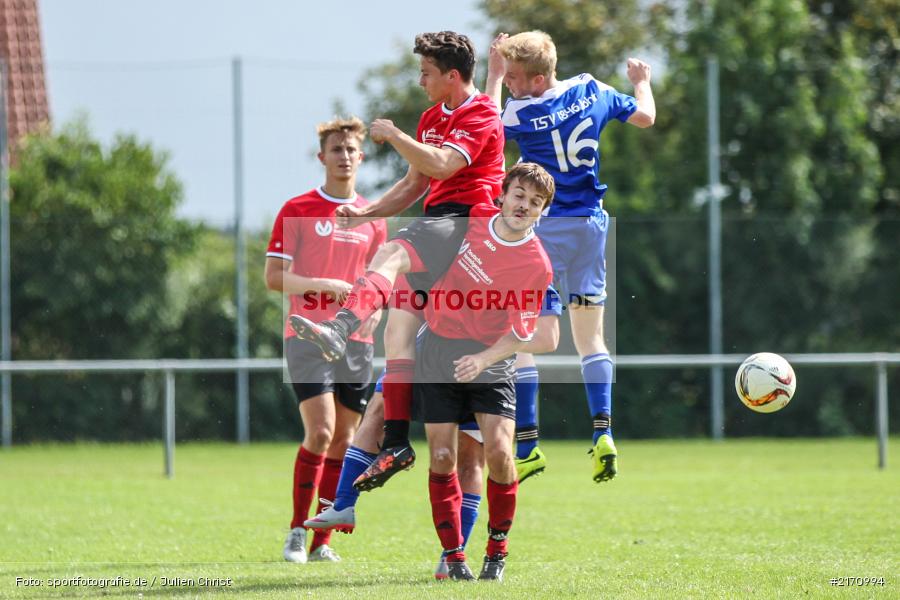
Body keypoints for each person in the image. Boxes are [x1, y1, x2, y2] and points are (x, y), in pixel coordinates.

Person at [290, 30, 505, 492]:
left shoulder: (482, 111)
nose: (420, 80)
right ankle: (396, 441)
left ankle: (341, 327)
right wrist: (365, 212)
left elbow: (446, 165)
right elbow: (413, 186)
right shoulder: (431, 116)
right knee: (398, 327)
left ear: (451, 75)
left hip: (468, 225)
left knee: (390, 253)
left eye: (426, 72)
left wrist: (394, 135)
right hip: (437, 224)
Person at [485, 31, 656, 483]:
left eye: (519, 78)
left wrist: (494, 77)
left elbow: (485, 130)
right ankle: (603, 432)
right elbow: (646, 116)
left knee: (522, 337)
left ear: (539, 79)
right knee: (590, 340)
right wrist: (641, 80)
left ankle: (528, 446)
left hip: (544, 236)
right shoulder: (591, 89)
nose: (514, 85)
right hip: (592, 228)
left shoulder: (521, 111)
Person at [417, 162, 554, 581]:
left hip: (492, 357)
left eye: (535, 202)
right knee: (442, 456)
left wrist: (482, 360)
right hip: (438, 349)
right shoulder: (474, 217)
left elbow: (520, 334)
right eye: (519, 195)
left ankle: (497, 549)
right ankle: (454, 557)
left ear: (543, 212)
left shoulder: (537, 264)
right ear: (503, 193)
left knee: (497, 451)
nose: (524, 205)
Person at [264, 116, 386, 564]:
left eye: (352, 149)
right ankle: (296, 531)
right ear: (322, 157)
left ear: (362, 156)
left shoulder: (373, 217)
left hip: (357, 341)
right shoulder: (297, 210)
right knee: (320, 431)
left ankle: (322, 542)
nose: (345, 156)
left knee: (344, 442)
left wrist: (374, 314)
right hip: (307, 334)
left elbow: (380, 281)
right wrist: (327, 285)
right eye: (337, 149)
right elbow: (273, 277)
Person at [303, 370, 487, 580]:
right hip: (425, 350)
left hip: (480, 360)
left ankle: (453, 556)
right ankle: (344, 502)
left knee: (470, 456)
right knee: (380, 407)